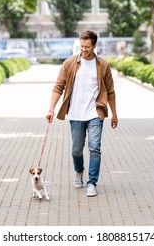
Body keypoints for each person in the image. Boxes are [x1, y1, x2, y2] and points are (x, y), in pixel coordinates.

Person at [46, 30, 118, 197]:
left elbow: (111, 92)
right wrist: (51, 108)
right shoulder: (70, 63)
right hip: (75, 113)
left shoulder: (103, 66)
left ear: (94, 46)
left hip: (95, 113)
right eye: (81, 46)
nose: (83, 49)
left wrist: (114, 114)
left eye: (87, 47)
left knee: (95, 149)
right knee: (77, 150)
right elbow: (58, 87)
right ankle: (79, 171)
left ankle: (92, 182)